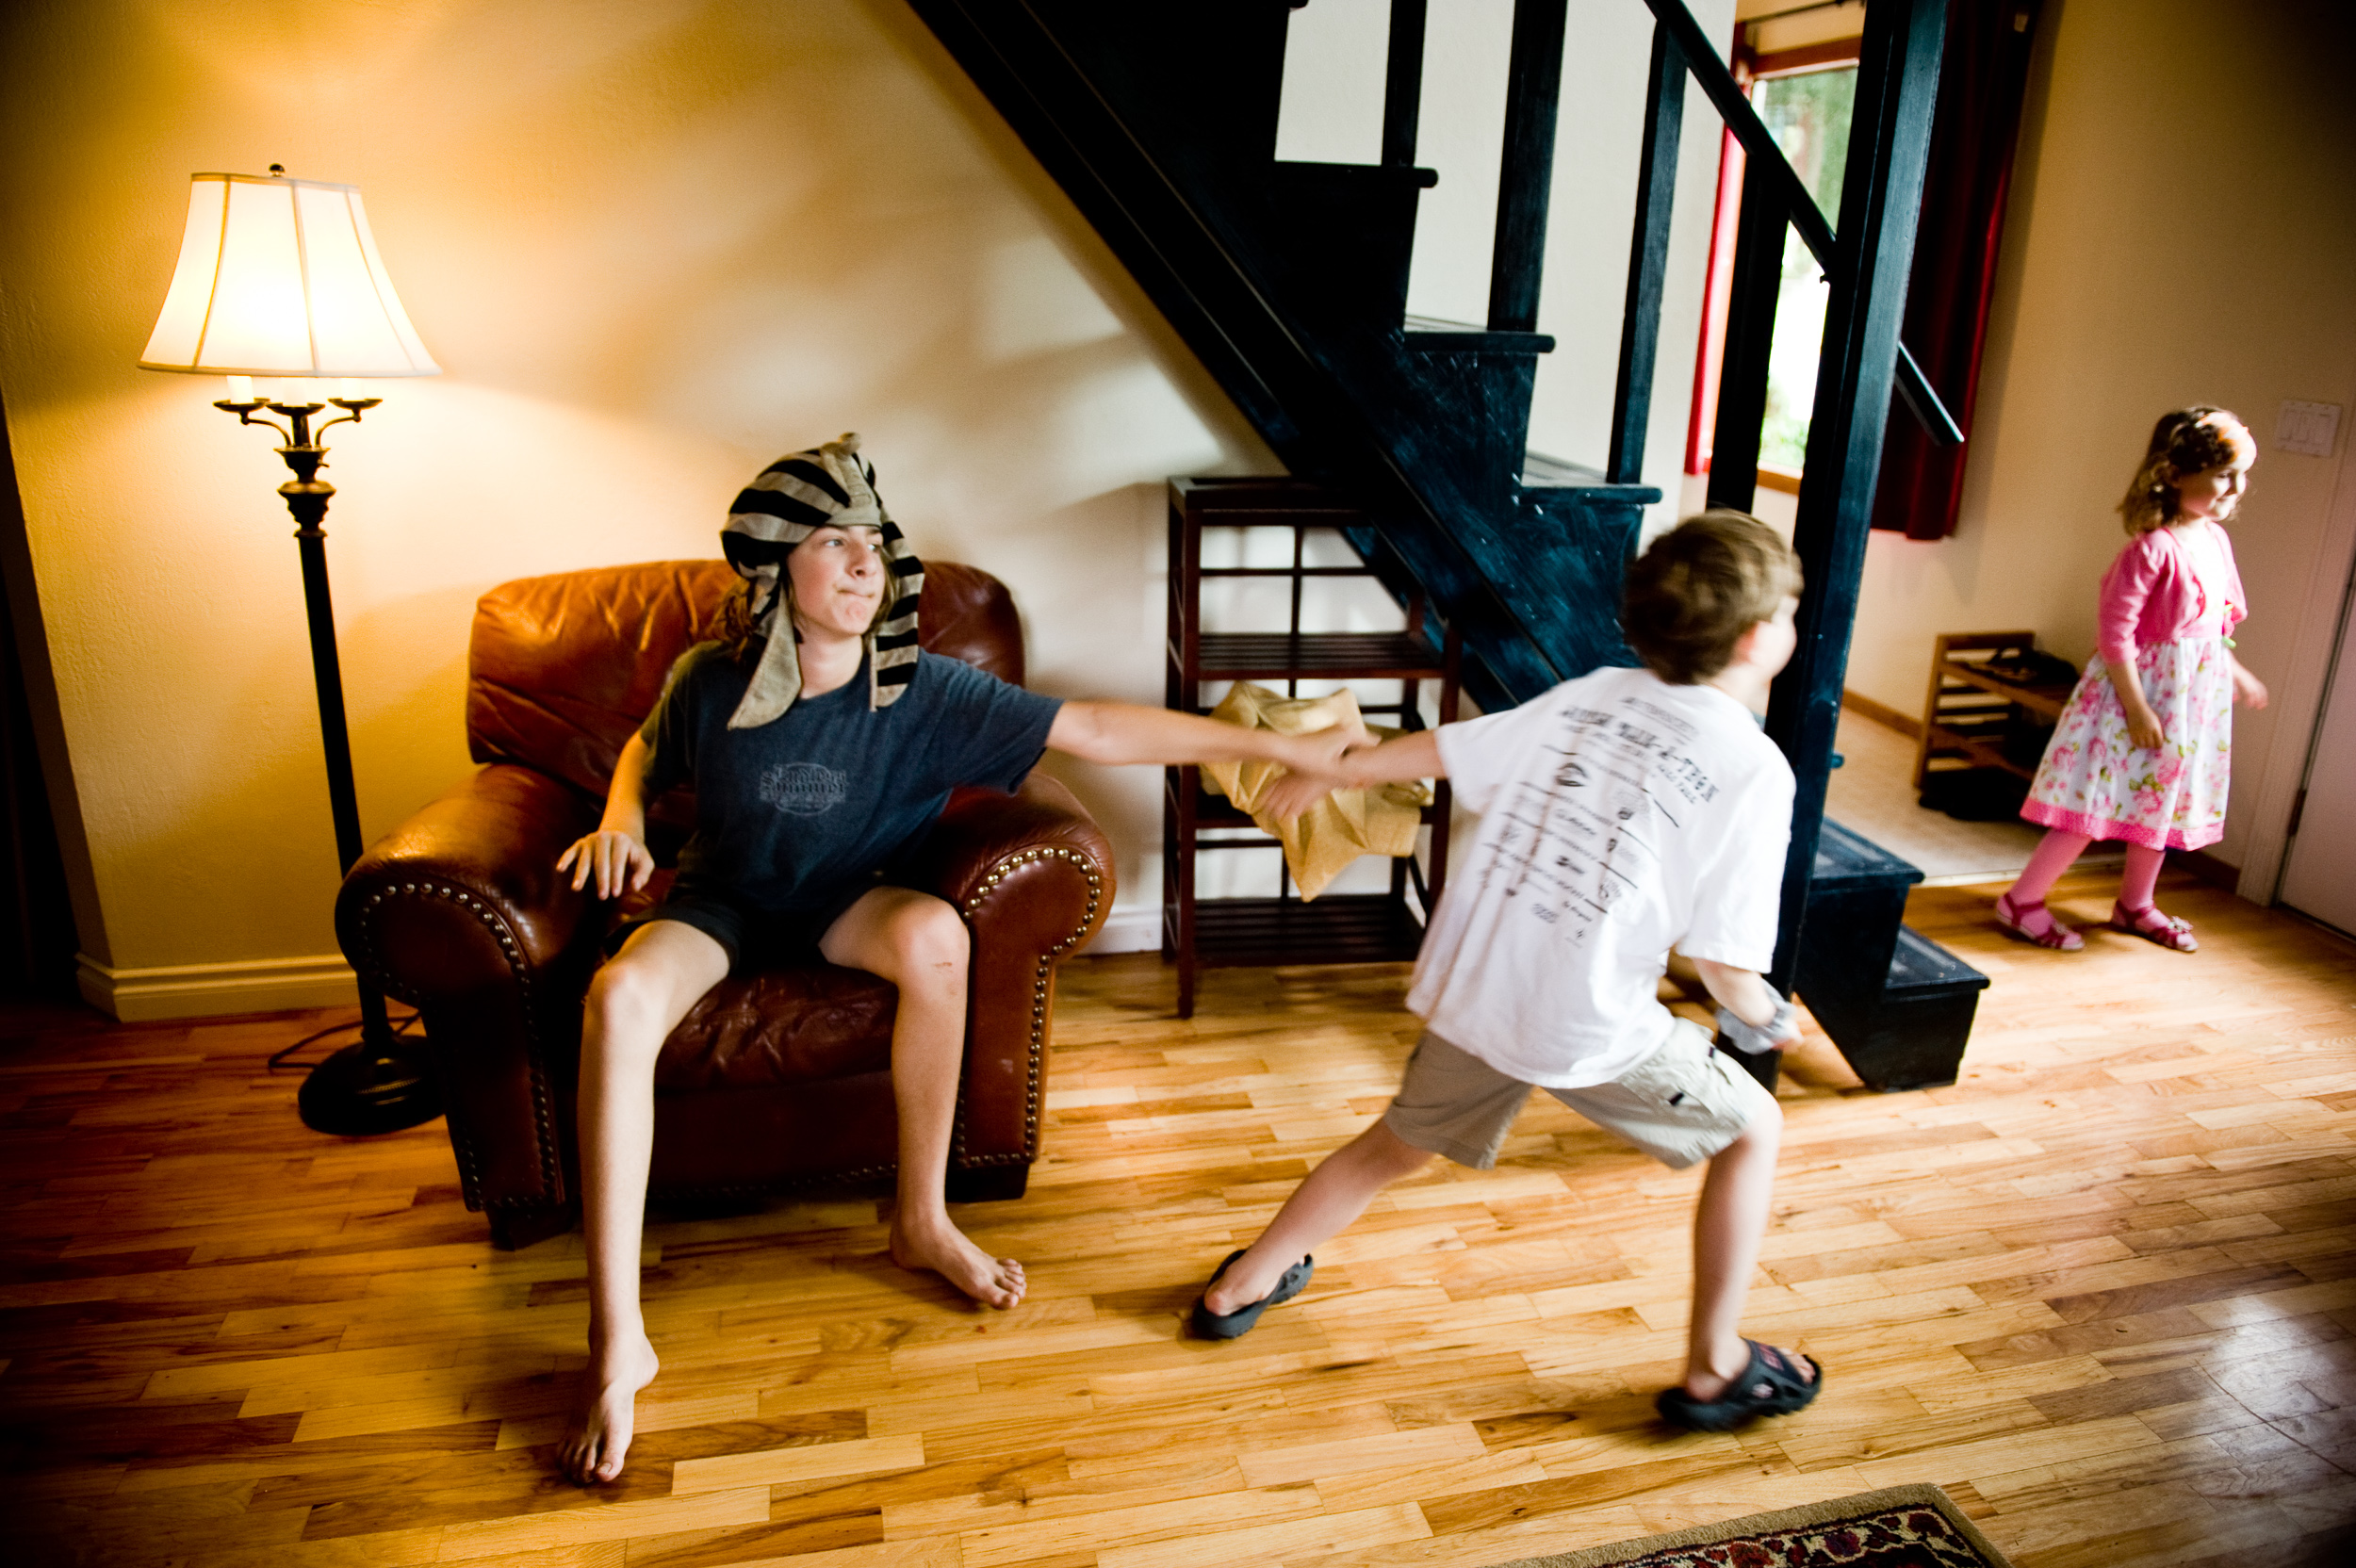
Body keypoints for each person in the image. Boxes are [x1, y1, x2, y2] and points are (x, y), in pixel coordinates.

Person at [554, 435, 1366, 1484]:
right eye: (830, 543)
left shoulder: (928, 692)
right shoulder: (711, 677)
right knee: (619, 999)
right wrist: (621, 815)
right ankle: (617, 1337)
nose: (862, 564)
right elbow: (645, 749)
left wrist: (1276, 745)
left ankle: (921, 1218)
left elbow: (1100, 730)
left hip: (848, 895)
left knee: (938, 936)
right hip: (722, 900)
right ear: (774, 569)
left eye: (871, 545)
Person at [1191, 510, 1824, 1433]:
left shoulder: (1595, 693)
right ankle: (1714, 1365)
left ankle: (1240, 1283)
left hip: (1482, 984)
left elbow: (1448, 750)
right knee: (1752, 1129)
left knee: (1394, 1144)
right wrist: (1766, 1014)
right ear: (1759, 637)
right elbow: (1724, 961)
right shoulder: (1751, 766)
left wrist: (1336, 772)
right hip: (1584, 1021)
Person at [1994, 407, 2269, 953]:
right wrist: (2139, 709)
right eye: (2222, 474)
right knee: (2092, 804)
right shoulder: (2151, 549)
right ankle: (2021, 901)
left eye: (2241, 474)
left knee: (2159, 805)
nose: (2236, 488)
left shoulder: (2214, 541)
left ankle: (2135, 904)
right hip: (2132, 700)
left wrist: (2232, 671)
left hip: (2192, 703)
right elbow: (2115, 637)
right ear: (2173, 474)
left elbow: (2210, 627)